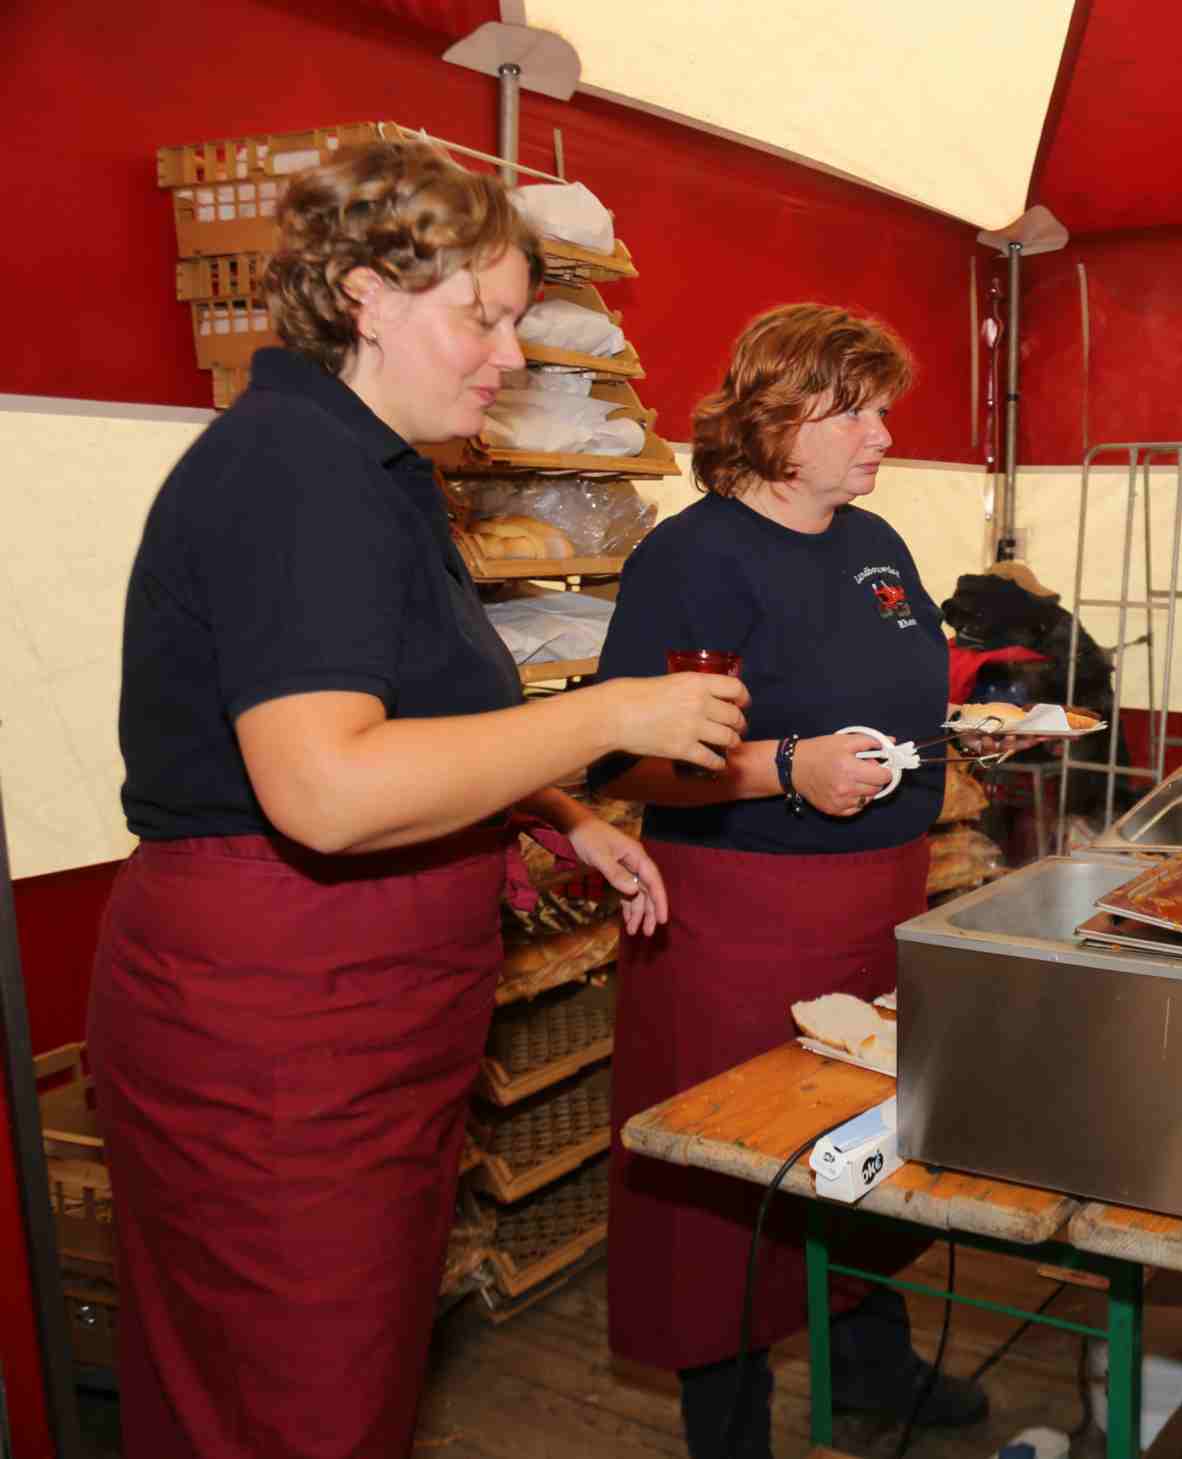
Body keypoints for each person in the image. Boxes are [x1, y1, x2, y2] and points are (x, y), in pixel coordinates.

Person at [89, 141, 749, 1458]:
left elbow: (411, 723)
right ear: (363, 295)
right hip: (281, 1025)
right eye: (480, 317)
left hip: (353, 1014)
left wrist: (557, 810)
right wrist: (610, 714)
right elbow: (326, 789)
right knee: (293, 1404)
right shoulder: (294, 472)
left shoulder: (378, 472)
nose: (507, 356)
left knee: (320, 1376)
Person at [592, 304, 988, 1459]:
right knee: (731, 1182)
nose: (883, 434)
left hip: (877, 901)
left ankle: (869, 1366)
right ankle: (728, 1430)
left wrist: (970, 732)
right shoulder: (694, 558)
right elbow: (624, 760)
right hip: (739, 917)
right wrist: (787, 769)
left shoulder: (875, 541)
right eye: (854, 411)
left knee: (860, 1145)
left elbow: (900, 692)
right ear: (773, 417)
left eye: (882, 408)